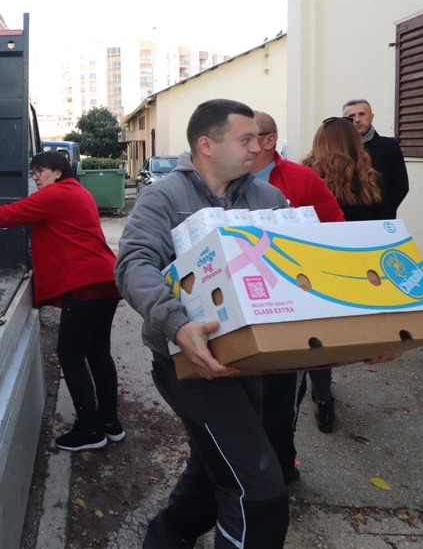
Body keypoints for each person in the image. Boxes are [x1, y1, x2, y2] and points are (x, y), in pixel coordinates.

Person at [117, 99, 291, 549]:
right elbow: (135, 263)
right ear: (206, 144)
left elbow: (296, 273)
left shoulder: (268, 199)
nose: (260, 147)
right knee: (258, 487)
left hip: (258, 360)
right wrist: (176, 323)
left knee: (215, 467)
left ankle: (167, 537)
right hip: (189, 362)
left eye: (261, 137)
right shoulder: (164, 197)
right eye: (247, 139)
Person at [0, 151, 123, 451]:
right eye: (34, 172)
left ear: (57, 172)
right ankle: (110, 424)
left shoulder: (57, 195)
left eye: (40, 171)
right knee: (98, 354)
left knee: (70, 355)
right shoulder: (78, 192)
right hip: (106, 280)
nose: (36, 177)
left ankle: (91, 432)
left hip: (86, 284)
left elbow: (11, 214)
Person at [249, 111, 345, 483]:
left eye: (246, 137)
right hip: (244, 308)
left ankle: (281, 468)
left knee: (281, 395)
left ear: (269, 141)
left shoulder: (301, 179)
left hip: (291, 306)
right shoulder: (220, 178)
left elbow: (335, 229)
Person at [300, 116, 386, 433]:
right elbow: (382, 221)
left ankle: (318, 393)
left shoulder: (305, 173)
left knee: (314, 331)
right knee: (335, 330)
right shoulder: (370, 176)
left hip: (314, 261)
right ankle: (324, 400)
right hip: (355, 264)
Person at [342, 99, 409, 219]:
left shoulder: (389, 146)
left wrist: (383, 212)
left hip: (381, 221)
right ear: (344, 121)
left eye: (362, 114)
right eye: (351, 116)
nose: (357, 119)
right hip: (345, 221)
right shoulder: (338, 149)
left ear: (371, 117)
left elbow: (401, 185)